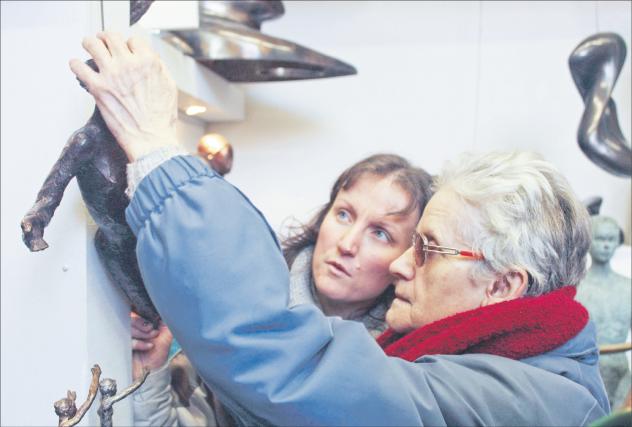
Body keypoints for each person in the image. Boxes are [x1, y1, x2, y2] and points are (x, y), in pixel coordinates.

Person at [71, 31, 610, 426]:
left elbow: (286, 366)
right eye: (345, 214)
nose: (400, 262)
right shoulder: (512, 363)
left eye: (424, 248)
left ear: (502, 286)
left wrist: (156, 146)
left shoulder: (520, 401)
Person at [131, 153, 433, 425]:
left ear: (406, 260)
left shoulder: (401, 366)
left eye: (380, 233)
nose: (347, 244)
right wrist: (152, 371)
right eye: (344, 214)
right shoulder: (239, 307)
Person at [576, 215, 631, 409]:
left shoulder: (628, 287)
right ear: (589, 241)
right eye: (600, 239)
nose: (606, 245)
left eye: (611, 240)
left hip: (621, 371)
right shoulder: (577, 287)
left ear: (617, 243)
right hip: (585, 371)